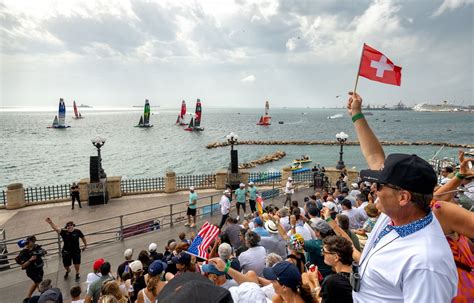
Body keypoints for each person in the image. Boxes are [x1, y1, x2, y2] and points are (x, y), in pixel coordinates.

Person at [347, 91, 457, 302]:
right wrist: (356, 114)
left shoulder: (426, 263)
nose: (372, 189)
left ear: (404, 197)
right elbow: (374, 156)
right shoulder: (398, 215)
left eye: (379, 185)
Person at [315, 236, 354, 303]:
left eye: (324, 251)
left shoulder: (333, 281)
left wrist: (314, 280)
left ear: (336, 257)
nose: (322, 254)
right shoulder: (357, 272)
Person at [16, 235, 46, 300]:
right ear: (29, 242)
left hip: (39, 268)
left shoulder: (36, 246)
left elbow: (43, 252)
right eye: (33, 241)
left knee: (37, 282)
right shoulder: (23, 253)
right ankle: (44, 298)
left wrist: (43, 252)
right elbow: (23, 266)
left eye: (34, 241)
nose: (34, 243)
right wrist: (30, 260)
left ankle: (28, 296)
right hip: (32, 271)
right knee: (42, 287)